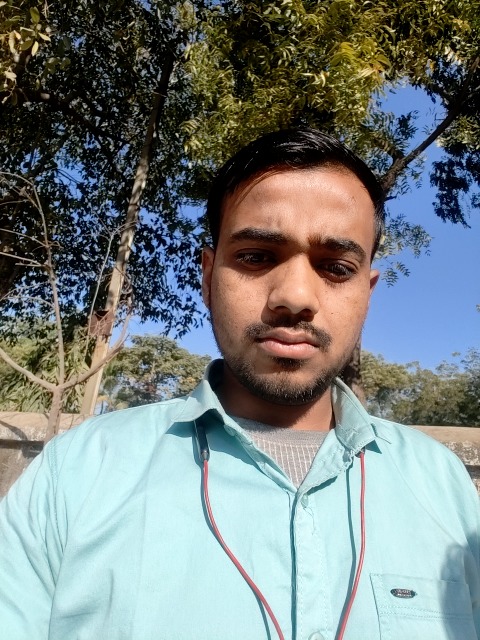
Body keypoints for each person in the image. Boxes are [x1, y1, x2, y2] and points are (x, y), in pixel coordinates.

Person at [1, 128, 479, 640]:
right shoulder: (76, 475)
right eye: (256, 256)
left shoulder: (444, 488)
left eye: (336, 268)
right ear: (208, 277)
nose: (295, 297)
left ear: (368, 291)